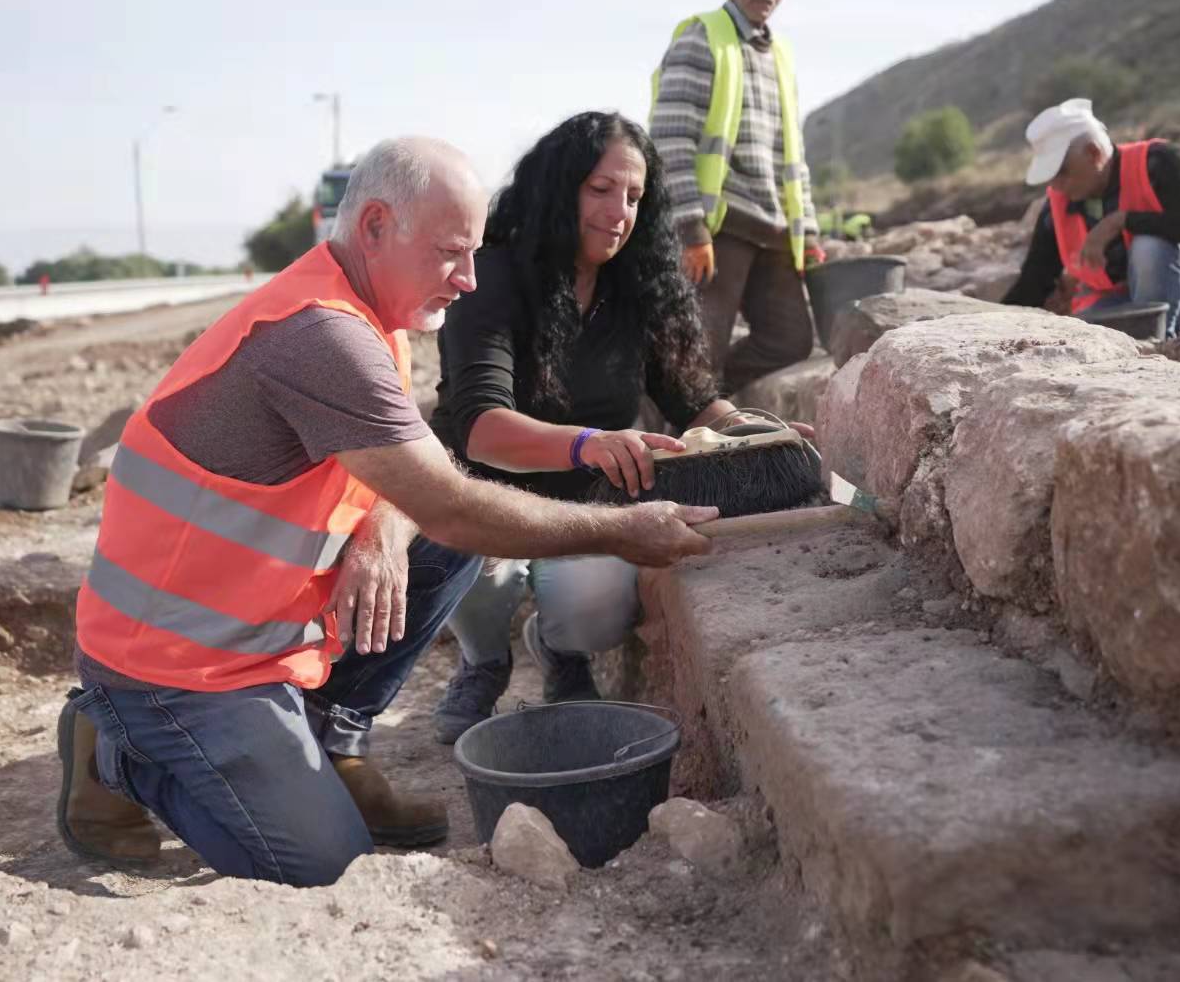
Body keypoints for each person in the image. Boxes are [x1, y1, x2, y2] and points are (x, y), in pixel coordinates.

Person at [59, 136, 720, 887]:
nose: (469, 280)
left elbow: (416, 477)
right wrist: (624, 530)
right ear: (375, 226)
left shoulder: (373, 314)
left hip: (253, 637)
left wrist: (381, 526)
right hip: (175, 666)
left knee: (434, 547)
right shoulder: (321, 334)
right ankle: (119, 749)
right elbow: (453, 503)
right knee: (321, 866)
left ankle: (329, 737)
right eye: (450, 253)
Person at [427, 112, 754, 744]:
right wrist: (588, 443)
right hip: (481, 494)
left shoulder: (638, 288)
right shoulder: (491, 275)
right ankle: (483, 660)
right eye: (600, 189)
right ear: (560, 187)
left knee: (596, 605)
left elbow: (694, 402)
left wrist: (756, 432)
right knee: (452, 556)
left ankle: (561, 651)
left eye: (634, 197)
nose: (619, 211)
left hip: (586, 508)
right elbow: (479, 426)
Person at [649, 0, 823, 394]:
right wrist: (690, 229)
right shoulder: (701, 38)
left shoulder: (781, 54)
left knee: (790, 340)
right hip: (718, 229)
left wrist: (807, 229)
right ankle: (673, 443)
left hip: (773, 229)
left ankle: (708, 401)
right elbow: (669, 140)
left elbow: (793, 155)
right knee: (697, 353)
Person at [1003, 98, 1180, 337]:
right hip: (1119, 301)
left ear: (1093, 153)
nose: (1055, 186)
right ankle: (1141, 339)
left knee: (1149, 246)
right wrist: (992, 320)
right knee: (1083, 334)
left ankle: (1157, 340)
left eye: (1061, 173)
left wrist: (1120, 221)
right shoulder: (1057, 204)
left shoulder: (1158, 162)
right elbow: (1035, 281)